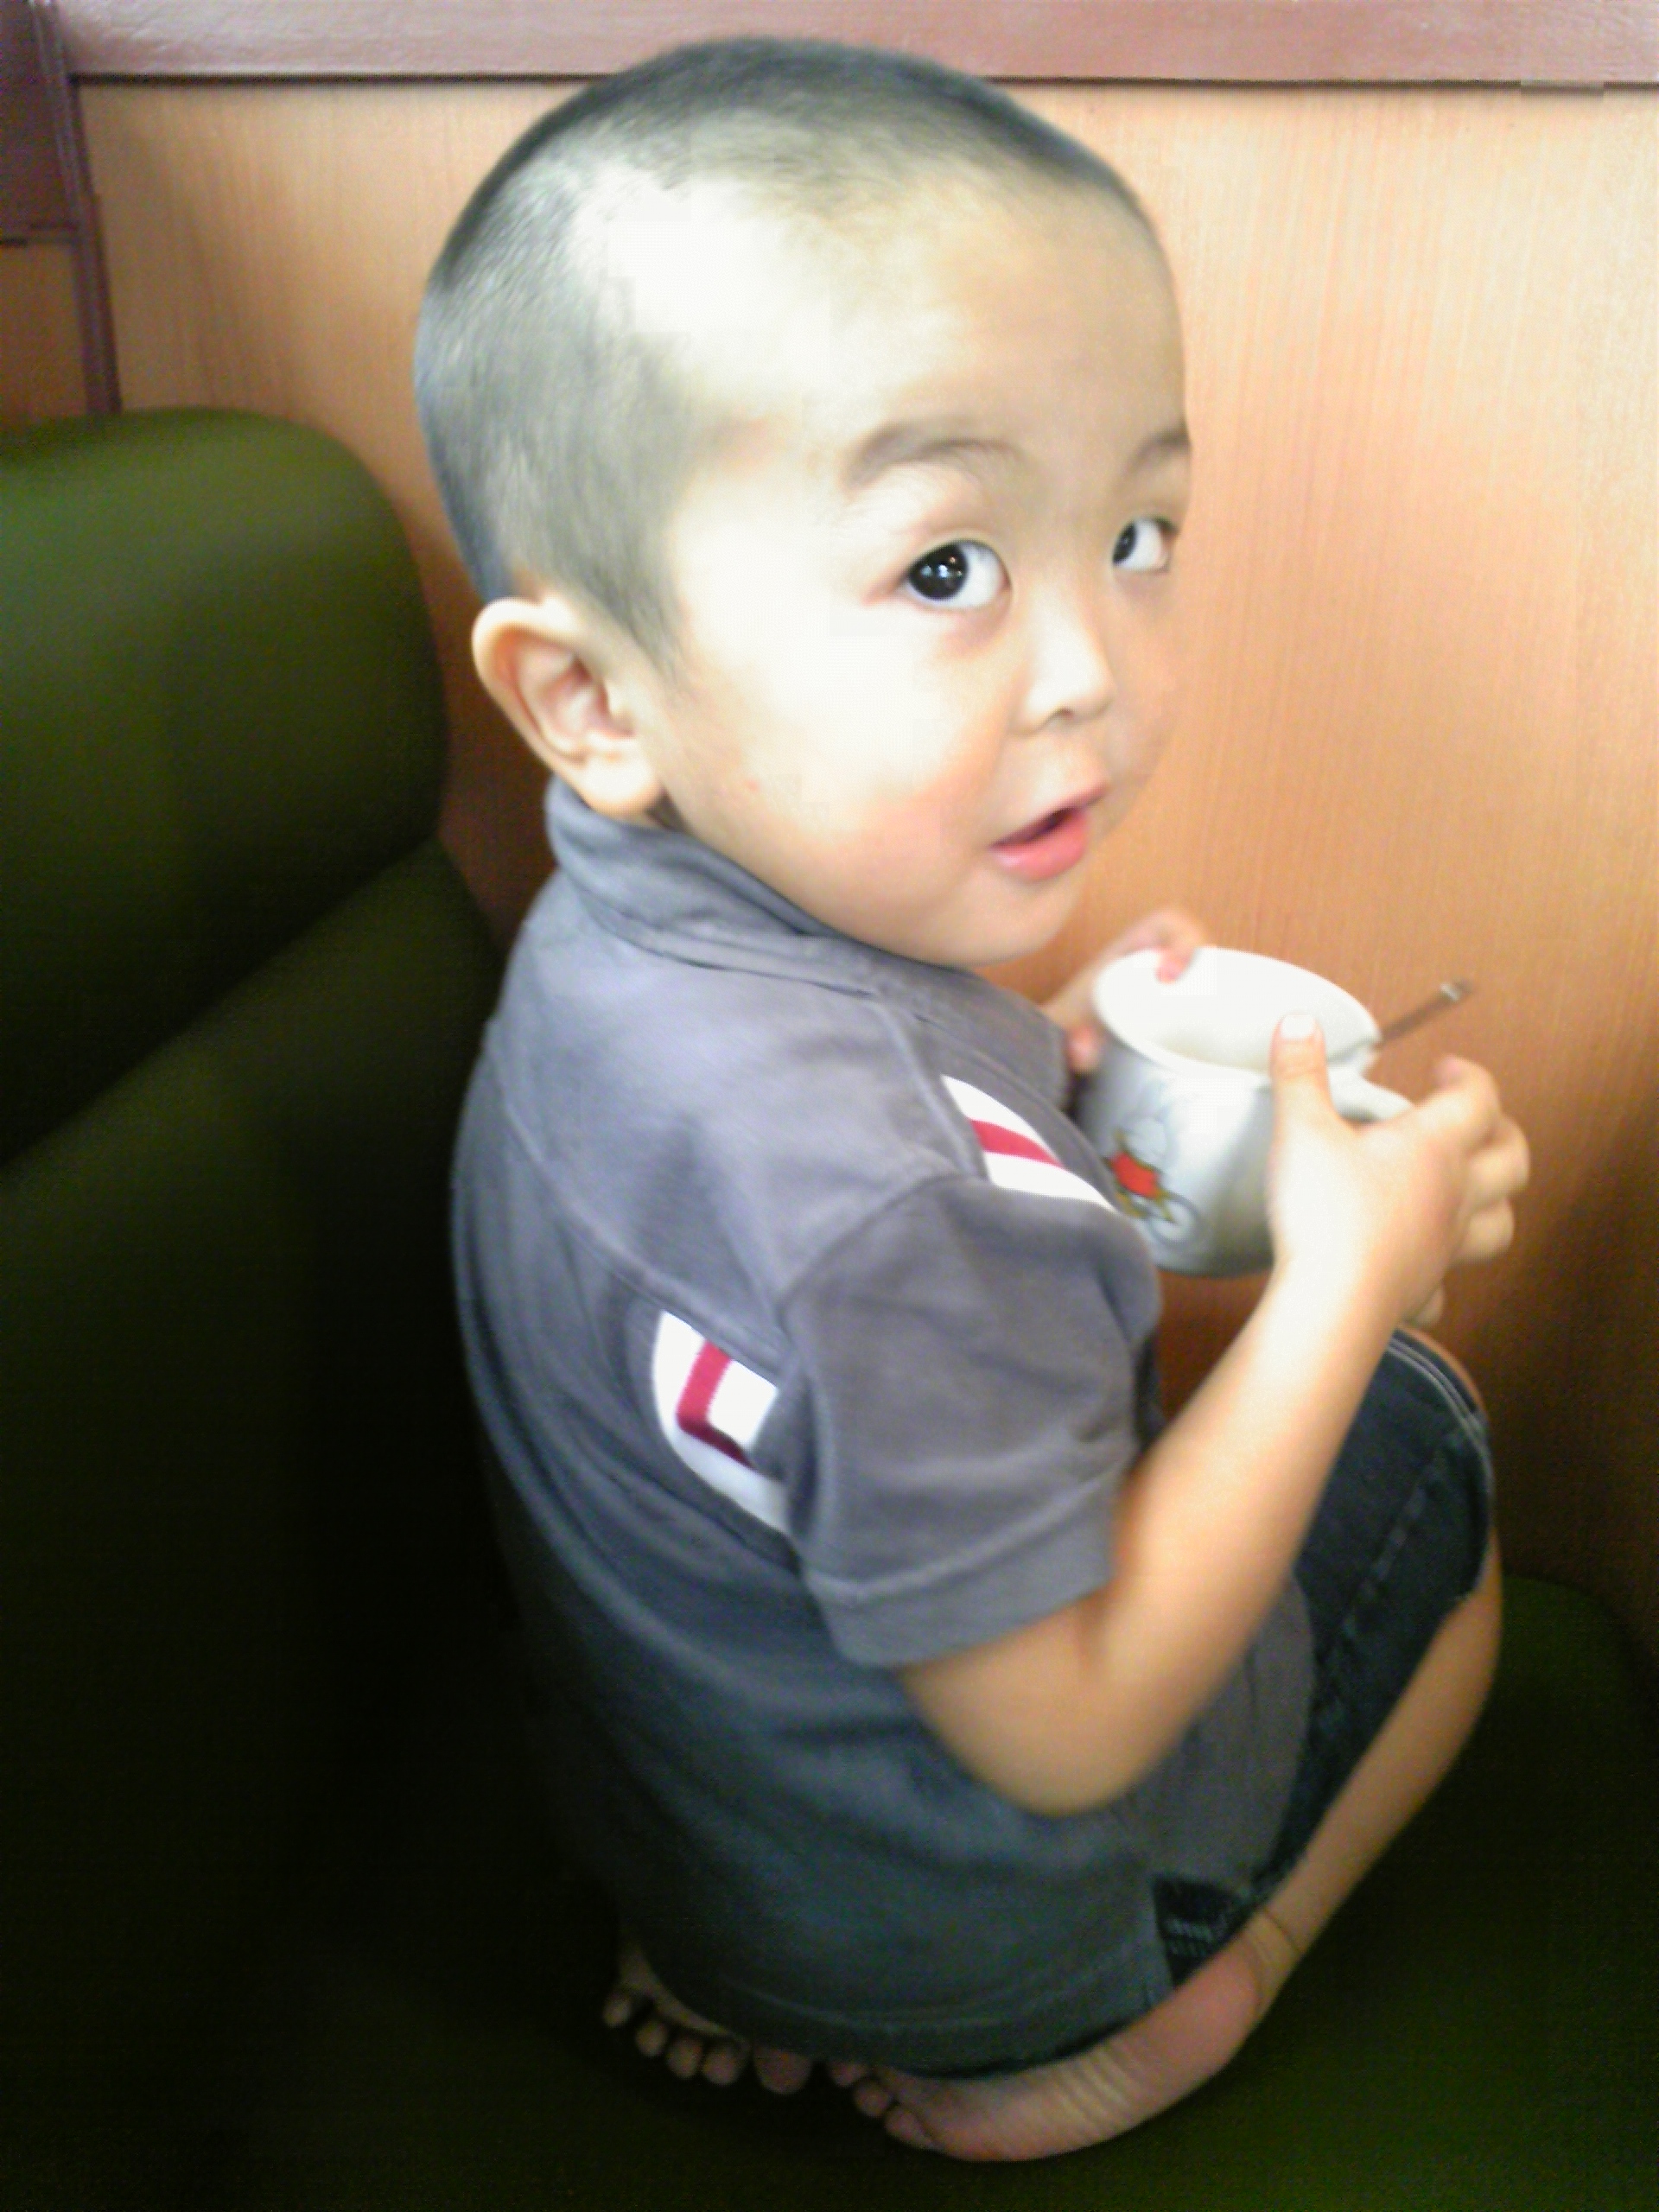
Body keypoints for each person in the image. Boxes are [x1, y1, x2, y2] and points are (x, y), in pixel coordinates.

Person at [415, 38, 1530, 2161]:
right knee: (1438, 1434)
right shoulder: (889, 1201)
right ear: (590, 693)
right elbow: (1070, 1719)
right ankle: (1203, 1979)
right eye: (947, 567)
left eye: (1136, 529)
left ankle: (751, 1959)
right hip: (985, 1926)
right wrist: (1343, 1295)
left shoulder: (606, 951)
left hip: (699, 1860)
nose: (1096, 662)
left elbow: (808, 1289)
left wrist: (1055, 1042)